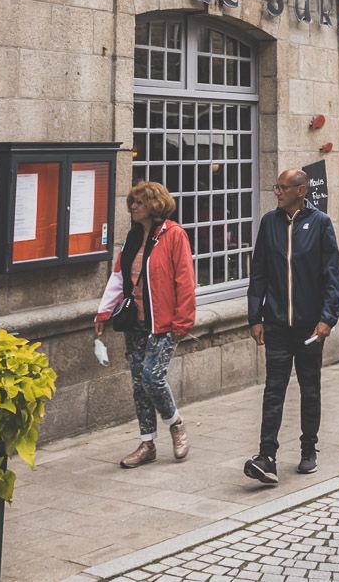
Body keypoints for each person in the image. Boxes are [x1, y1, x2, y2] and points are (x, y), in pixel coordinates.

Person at [243, 168, 339, 486]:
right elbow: (258, 273)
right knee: (274, 389)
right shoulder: (269, 223)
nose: (277, 192)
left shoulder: (321, 224)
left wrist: (327, 318)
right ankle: (266, 456)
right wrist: (254, 317)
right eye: (276, 187)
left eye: (283, 187)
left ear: (301, 190)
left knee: (309, 388)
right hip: (276, 325)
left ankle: (308, 448)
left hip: (310, 327)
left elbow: (332, 276)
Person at [94, 181, 195, 469]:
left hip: (163, 322)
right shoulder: (133, 236)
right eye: (132, 203)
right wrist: (103, 314)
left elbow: (185, 281)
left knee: (152, 378)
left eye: (138, 203)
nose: (133, 208)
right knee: (139, 384)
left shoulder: (174, 236)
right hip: (134, 321)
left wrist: (183, 322)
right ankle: (147, 443)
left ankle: (176, 425)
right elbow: (118, 277)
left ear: (153, 205)